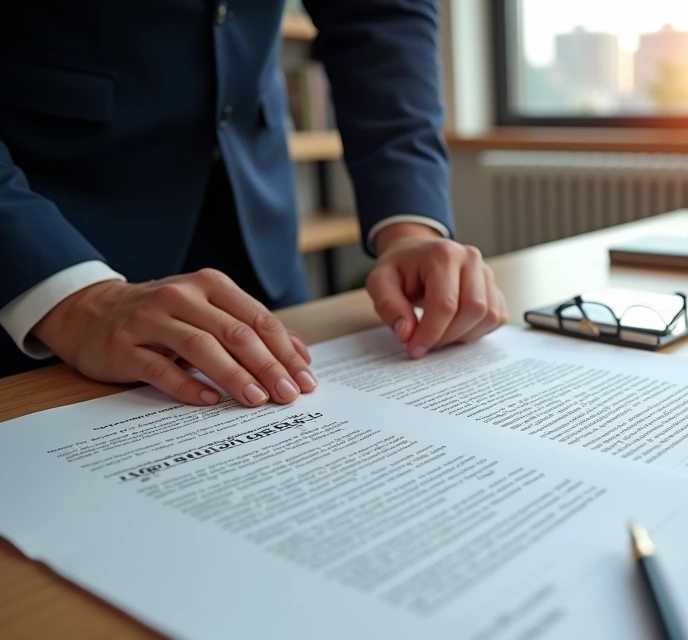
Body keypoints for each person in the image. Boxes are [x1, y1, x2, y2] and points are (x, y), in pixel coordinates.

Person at [0, 1, 508, 403]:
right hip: (43, 240)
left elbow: (379, 13)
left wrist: (409, 228)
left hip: (258, 222)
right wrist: (73, 300)